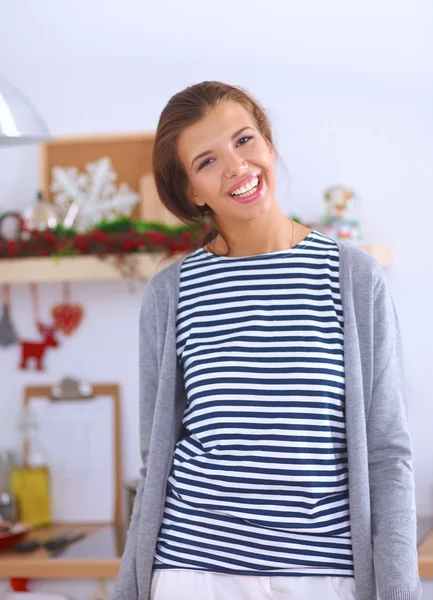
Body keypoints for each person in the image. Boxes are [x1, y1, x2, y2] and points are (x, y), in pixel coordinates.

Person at [113, 81, 421, 600]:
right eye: (206, 161)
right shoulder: (171, 293)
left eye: (244, 140)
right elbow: (157, 459)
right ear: (192, 190)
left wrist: (398, 590)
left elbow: (388, 452)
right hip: (194, 571)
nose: (236, 166)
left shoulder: (353, 277)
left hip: (324, 575)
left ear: (269, 143)